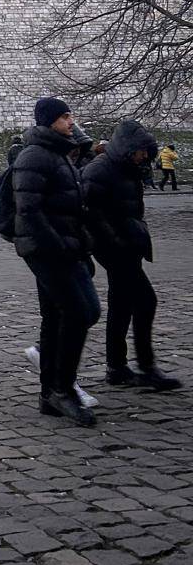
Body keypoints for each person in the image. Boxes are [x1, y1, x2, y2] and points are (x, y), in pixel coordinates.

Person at [12, 98, 101, 426]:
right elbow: (29, 210)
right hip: (47, 251)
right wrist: (60, 245)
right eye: (65, 117)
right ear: (50, 121)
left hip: (64, 247)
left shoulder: (60, 154)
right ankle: (63, 389)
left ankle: (50, 393)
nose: (70, 121)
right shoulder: (35, 156)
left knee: (54, 317)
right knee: (82, 312)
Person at [82, 121, 182, 392]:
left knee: (122, 303)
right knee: (146, 300)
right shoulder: (101, 170)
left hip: (127, 244)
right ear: (128, 149)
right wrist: (115, 240)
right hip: (114, 248)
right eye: (141, 153)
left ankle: (116, 366)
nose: (144, 158)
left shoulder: (129, 169)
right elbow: (92, 212)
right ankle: (146, 367)